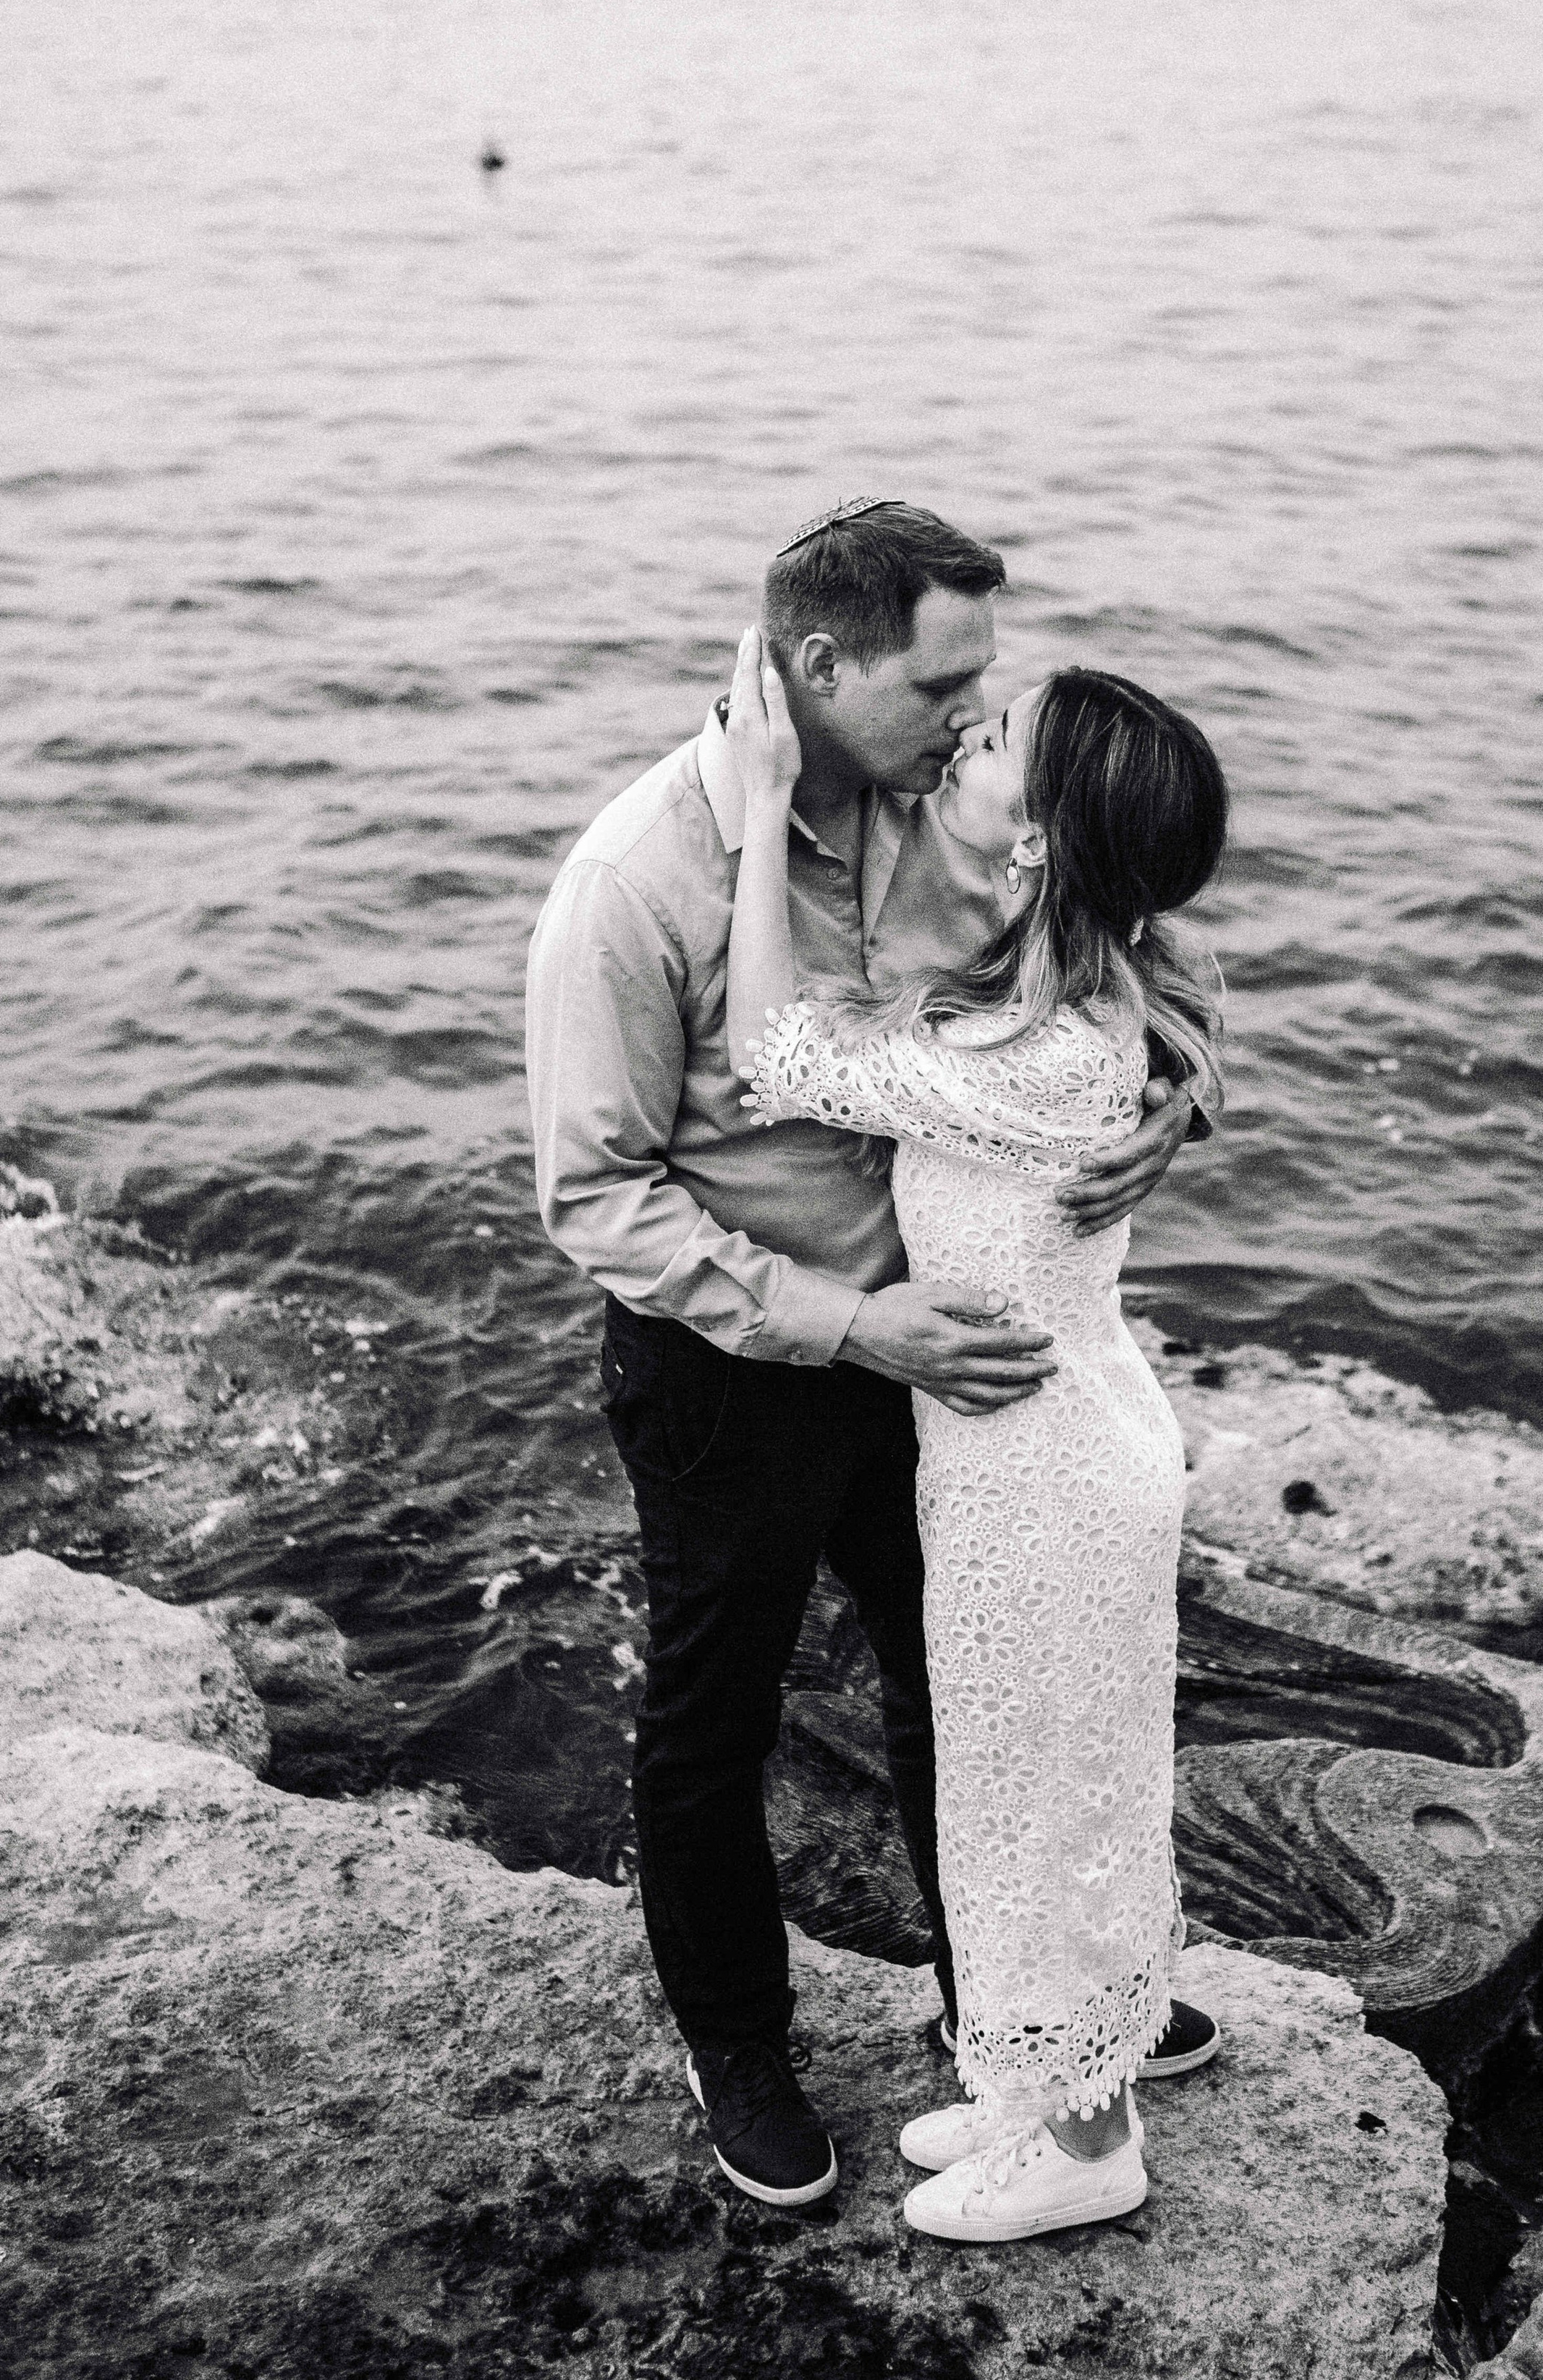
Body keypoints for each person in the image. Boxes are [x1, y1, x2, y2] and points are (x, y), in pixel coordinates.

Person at [525, 499, 1212, 2214]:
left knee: (959, 1695)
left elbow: (1135, 932)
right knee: (715, 1713)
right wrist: (844, 1320)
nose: (976, 720)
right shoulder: (634, 881)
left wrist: (1176, 1100)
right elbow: (592, 1195)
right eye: (944, 686)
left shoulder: (952, 810)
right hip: (740, 1363)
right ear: (817, 667)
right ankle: (736, 2043)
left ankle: (1028, 2027)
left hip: (949, 1367)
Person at [722, 627, 1227, 2242]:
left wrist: (753, 821)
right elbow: (1159, 994)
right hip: (1054, 1453)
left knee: (1040, 1801)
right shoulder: (1078, 1007)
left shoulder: (1034, 1060)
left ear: (1036, 841)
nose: (967, 735)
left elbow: (768, 1054)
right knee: (1040, 1783)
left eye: (998, 734)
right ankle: (1042, 2086)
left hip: (1047, 1483)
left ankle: (1087, 2146)